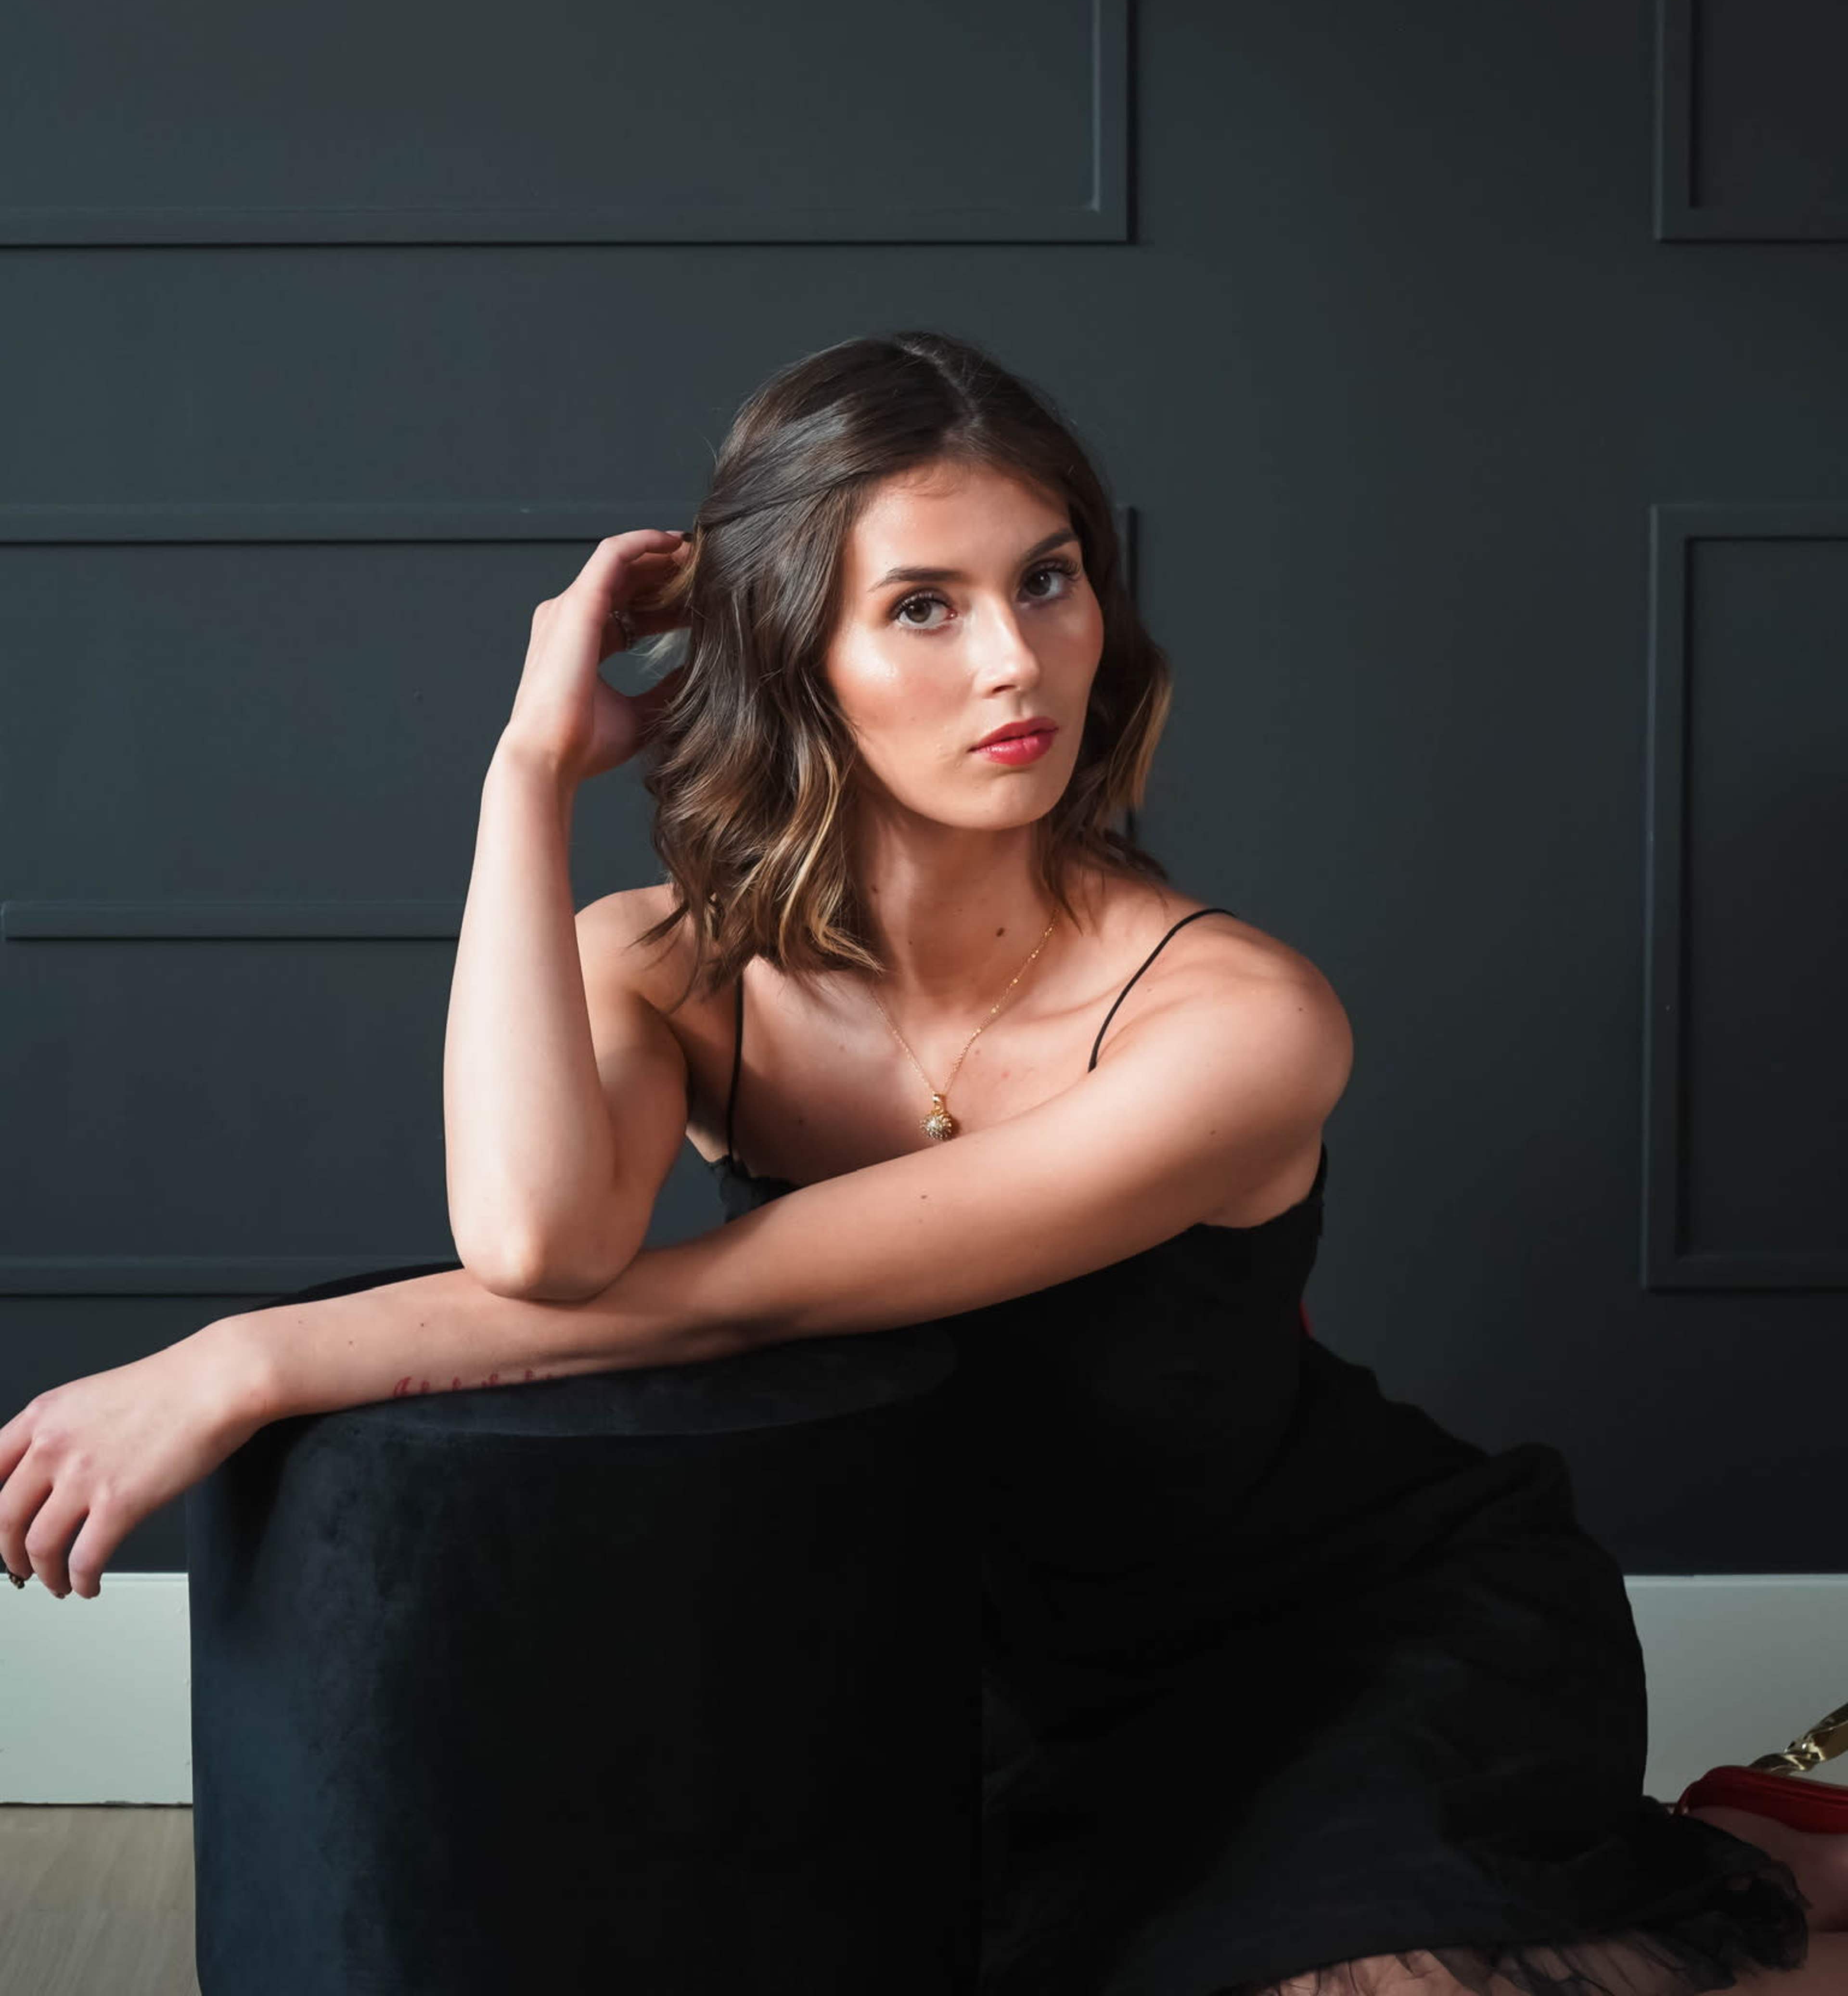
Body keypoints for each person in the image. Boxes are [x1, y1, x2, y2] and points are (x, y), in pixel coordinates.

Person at [0, 328, 1839, 1996]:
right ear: (798, 650)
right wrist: (521, 773)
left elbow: (729, 1301)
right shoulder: (669, 965)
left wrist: (243, 1362)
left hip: (1345, 1631)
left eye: (1048, 581)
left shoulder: (1237, 1022)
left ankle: (1754, 1853)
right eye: (928, 606)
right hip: (973, 1682)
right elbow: (541, 1244)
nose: (1019, 659)